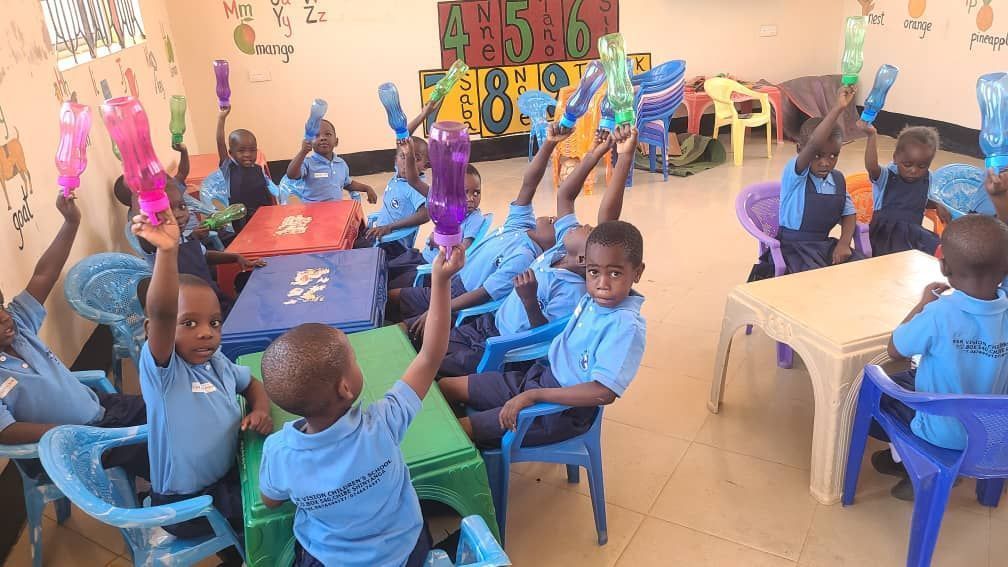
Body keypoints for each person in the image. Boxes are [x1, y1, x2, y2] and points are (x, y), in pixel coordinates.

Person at [256, 244, 465, 567]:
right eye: (353, 358)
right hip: (404, 551)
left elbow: (270, 500)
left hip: (329, 559)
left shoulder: (279, 451)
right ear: (346, 386)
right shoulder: (382, 423)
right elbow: (430, 356)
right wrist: (441, 281)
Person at [438, 125, 638, 376]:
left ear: (586, 258)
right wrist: (594, 154)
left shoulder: (573, 290)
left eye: (587, 228)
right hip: (490, 322)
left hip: (501, 347)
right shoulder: (561, 249)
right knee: (429, 346)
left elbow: (541, 334)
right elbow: (565, 195)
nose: (580, 223)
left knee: (437, 369)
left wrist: (625, 156)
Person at [132, 208, 273, 564]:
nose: (206, 332)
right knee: (277, 506)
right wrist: (167, 251)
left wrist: (260, 409)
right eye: (190, 323)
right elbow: (163, 312)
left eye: (214, 322)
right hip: (187, 503)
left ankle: (237, 551)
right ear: (156, 333)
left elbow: (252, 383)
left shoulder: (216, 361)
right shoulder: (165, 373)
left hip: (224, 479)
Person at [439, 220, 646, 448]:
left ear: (637, 272)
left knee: (459, 429)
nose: (602, 284)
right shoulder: (595, 300)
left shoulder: (625, 326)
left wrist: (535, 396)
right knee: (446, 386)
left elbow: (603, 393)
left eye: (615, 274)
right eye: (594, 272)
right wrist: (533, 390)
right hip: (538, 378)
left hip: (559, 413)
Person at [0, 193, 148, 480]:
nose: (5, 316)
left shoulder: (18, 325)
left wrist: (71, 222)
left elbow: (44, 274)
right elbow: (6, 431)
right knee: (160, 445)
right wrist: (73, 433)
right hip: (73, 446)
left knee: (165, 407)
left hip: (102, 410)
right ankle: (188, 507)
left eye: (0, 306)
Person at [389, 123, 578, 336]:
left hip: (460, 296)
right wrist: (549, 145)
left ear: (551, 247)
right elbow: (529, 184)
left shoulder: (524, 257)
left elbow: (484, 293)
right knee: (392, 296)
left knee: (408, 329)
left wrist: (442, 307)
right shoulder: (521, 224)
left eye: (554, 223)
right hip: (453, 280)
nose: (552, 217)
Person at [870, 214, 1008, 501]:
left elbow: (896, 348)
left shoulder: (939, 313)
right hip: (993, 434)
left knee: (876, 393)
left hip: (939, 433)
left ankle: (906, 459)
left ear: (943, 265)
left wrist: (922, 304)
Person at [748, 86, 862, 281]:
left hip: (823, 246)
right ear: (801, 150)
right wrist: (837, 109)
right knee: (813, 283)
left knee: (858, 272)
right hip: (794, 251)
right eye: (817, 156)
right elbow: (814, 143)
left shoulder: (838, 180)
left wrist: (844, 243)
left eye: (833, 155)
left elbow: (849, 213)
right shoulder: (796, 174)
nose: (825, 162)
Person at [137, 182, 265, 315]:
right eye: (167, 211)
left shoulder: (186, 238)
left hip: (213, 299)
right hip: (187, 310)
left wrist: (235, 257)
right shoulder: (155, 245)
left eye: (182, 206)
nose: (179, 214)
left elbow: (203, 255)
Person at [385, 163, 485, 289]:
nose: (471, 198)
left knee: (391, 286)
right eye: (464, 192)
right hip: (420, 257)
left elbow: (461, 252)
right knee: (385, 270)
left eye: (476, 193)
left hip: (431, 270)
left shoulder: (475, 219)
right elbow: (414, 181)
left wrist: (438, 241)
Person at [861, 122, 941, 256]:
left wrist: (938, 205)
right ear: (895, 158)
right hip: (885, 236)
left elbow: (920, 200)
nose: (914, 170)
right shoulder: (887, 176)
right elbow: (872, 167)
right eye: (907, 164)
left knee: (942, 248)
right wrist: (871, 136)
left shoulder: (927, 178)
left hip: (913, 233)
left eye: (922, 166)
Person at [353, 136, 430, 259]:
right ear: (395, 160)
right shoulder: (398, 176)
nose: (407, 162)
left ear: (425, 166)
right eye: (403, 157)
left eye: (416, 159)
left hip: (394, 244)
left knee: (357, 258)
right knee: (349, 244)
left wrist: (389, 227)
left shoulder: (416, 187)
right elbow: (403, 139)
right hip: (379, 232)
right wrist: (423, 115)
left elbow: (426, 215)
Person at [211, 106, 277, 233]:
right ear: (231, 153)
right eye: (241, 151)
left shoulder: (258, 169)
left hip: (264, 216)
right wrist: (221, 118)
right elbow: (220, 142)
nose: (248, 154)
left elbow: (268, 193)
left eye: (252, 150)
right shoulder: (229, 168)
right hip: (242, 221)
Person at [284, 118, 377, 204]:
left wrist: (367, 188)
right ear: (310, 142)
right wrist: (302, 152)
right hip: (312, 213)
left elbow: (347, 183)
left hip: (335, 212)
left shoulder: (341, 163)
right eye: (317, 135)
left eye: (328, 134)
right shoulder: (308, 163)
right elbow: (291, 174)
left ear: (336, 141)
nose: (322, 138)